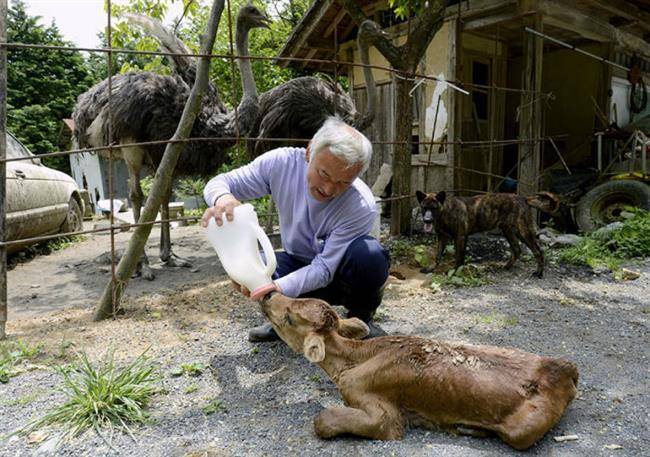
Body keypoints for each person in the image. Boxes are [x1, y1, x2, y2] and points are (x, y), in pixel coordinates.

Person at [202, 117, 390, 342]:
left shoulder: (361, 205)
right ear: (310, 151)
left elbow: (323, 270)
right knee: (257, 265)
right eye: (324, 174)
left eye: (343, 183)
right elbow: (220, 182)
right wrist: (223, 198)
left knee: (370, 256)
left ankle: (361, 320)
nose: (329, 188)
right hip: (296, 262)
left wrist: (275, 289)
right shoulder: (281, 163)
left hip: (340, 275)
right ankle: (284, 321)